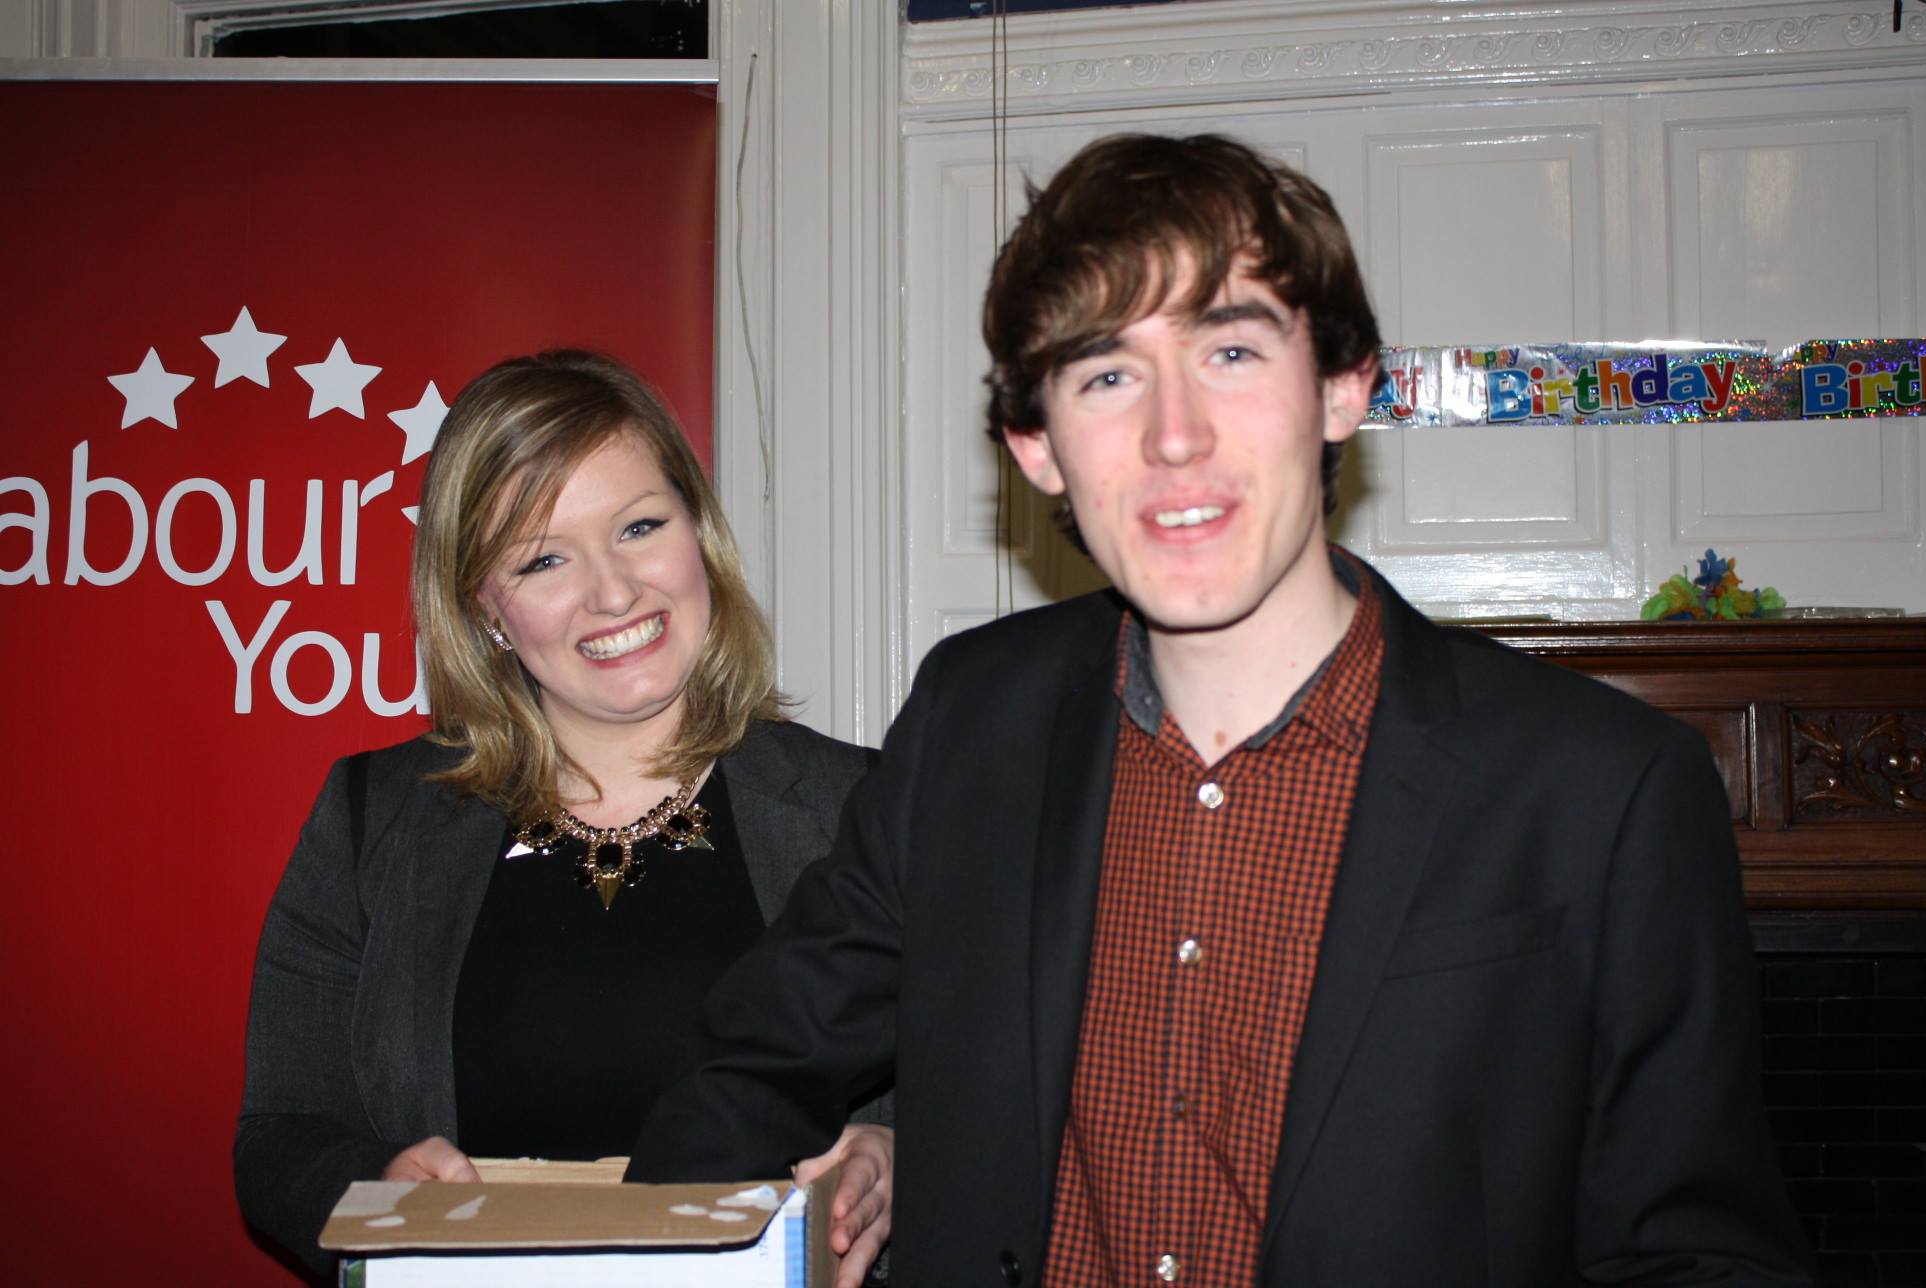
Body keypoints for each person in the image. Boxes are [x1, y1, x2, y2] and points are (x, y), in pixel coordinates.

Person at [624, 134, 1814, 1285]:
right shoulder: (967, 719)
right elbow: (752, 1067)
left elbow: (1694, 1250)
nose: (1173, 434)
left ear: (1345, 389)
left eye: (1232, 353)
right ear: (1036, 448)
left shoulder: (1604, 790)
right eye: (1106, 375)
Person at [235, 351, 892, 1285]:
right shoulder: (367, 818)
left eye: (639, 526)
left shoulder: (870, 807)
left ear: (697, 530)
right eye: (543, 559)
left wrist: (896, 1162)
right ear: (485, 609)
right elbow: (280, 1134)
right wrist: (375, 1185)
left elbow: (989, 1098)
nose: (614, 592)